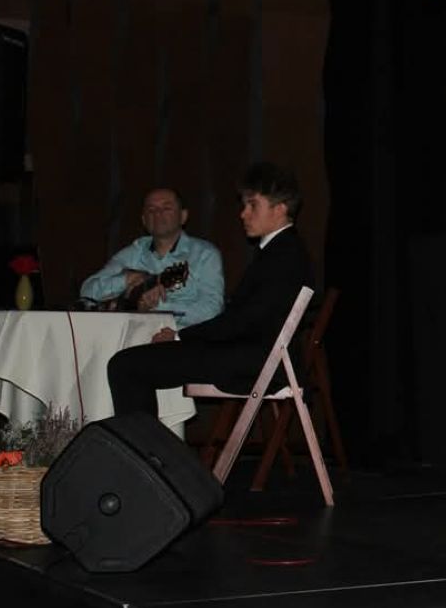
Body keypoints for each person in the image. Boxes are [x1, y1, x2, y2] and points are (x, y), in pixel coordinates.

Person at [106, 163, 314, 418]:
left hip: (253, 361)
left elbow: (244, 322)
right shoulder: (282, 250)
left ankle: (142, 444)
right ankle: (146, 441)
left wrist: (180, 336)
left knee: (125, 365)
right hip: (251, 355)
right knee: (131, 363)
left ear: (280, 209)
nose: (243, 214)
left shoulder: (283, 256)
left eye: (252, 205)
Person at [80, 188, 224, 329]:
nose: (158, 214)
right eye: (151, 209)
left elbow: (212, 310)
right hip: (134, 336)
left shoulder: (204, 254)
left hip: (185, 337)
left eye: (166, 208)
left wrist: (159, 307)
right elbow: (87, 292)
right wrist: (126, 279)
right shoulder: (133, 253)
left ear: (183, 216)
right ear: (144, 220)